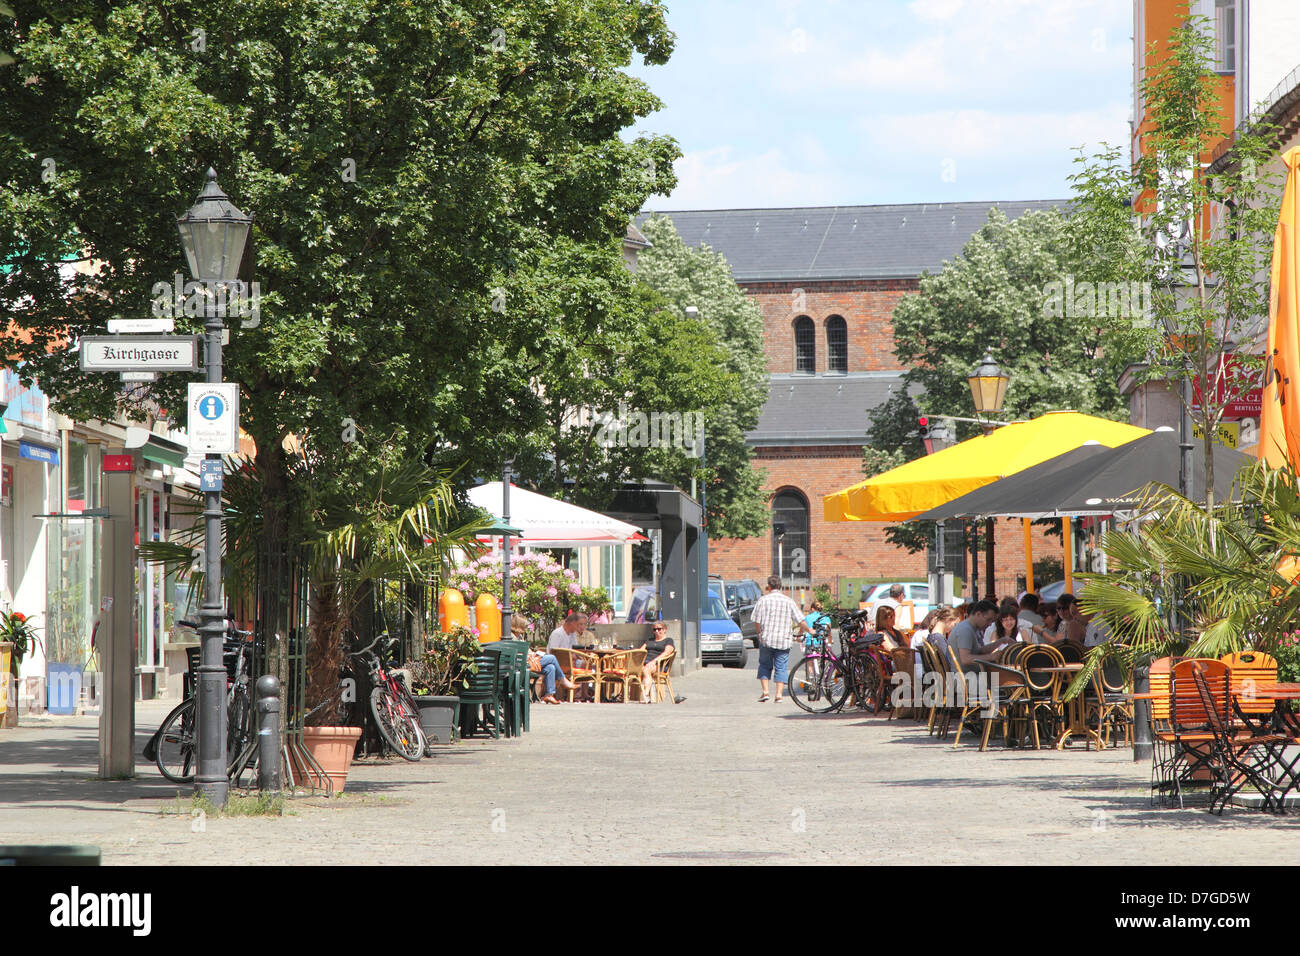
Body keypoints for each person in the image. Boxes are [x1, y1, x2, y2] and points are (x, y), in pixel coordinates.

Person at [752, 575, 810, 703]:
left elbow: (756, 619)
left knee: (764, 665)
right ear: (780, 586)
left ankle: (765, 692)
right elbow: (800, 620)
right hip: (783, 640)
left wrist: (759, 633)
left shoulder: (763, 600)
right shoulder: (788, 601)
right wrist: (810, 630)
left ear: (769, 587)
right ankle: (778, 695)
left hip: (766, 639)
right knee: (781, 667)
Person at [517, 614, 576, 705]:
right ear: (518, 626)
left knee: (550, 667)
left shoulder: (520, 636)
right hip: (523, 663)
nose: (526, 628)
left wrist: (533, 653)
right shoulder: (512, 637)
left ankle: (549, 694)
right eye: (524, 626)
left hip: (528, 660)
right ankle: (562, 679)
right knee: (552, 658)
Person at [947, 599, 1007, 670]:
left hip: (971, 675)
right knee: (1013, 679)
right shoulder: (965, 630)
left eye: (992, 621)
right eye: (988, 620)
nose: (990, 624)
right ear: (978, 614)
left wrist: (1001, 641)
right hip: (967, 677)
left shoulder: (970, 628)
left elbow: (980, 651)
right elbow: (965, 659)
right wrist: (991, 656)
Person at [640, 621, 676, 703]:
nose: (656, 631)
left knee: (646, 670)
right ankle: (622, 695)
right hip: (645, 662)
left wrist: (654, 661)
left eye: (659, 629)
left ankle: (645, 695)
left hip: (659, 664)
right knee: (630, 670)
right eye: (654, 629)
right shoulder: (649, 640)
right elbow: (641, 650)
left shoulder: (668, 640)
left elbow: (667, 652)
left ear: (664, 629)